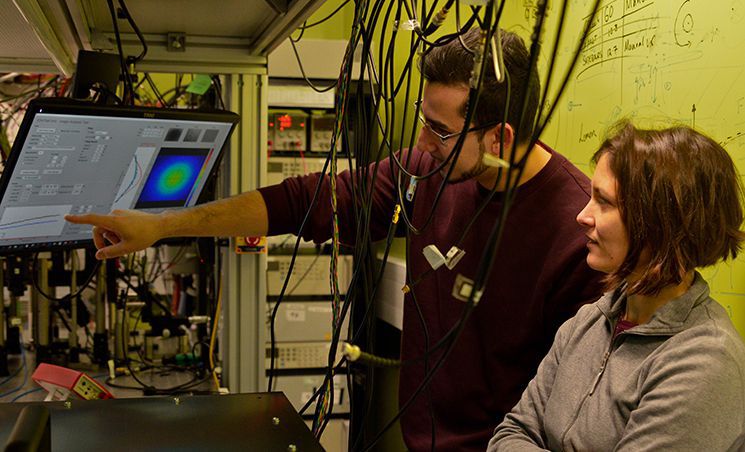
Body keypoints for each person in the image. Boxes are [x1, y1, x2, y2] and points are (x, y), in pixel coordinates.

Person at [65, 28, 603, 451]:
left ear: (499, 137)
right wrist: (160, 226)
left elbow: (574, 416)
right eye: (422, 118)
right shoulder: (426, 174)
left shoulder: (574, 234)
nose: (421, 141)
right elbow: (305, 201)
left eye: (438, 130)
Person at [488, 121, 745, 451]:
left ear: (658, 223)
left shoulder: (704, 364)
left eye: (604, 202)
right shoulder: (591, 320)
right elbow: (510, 433)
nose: (582, 215)